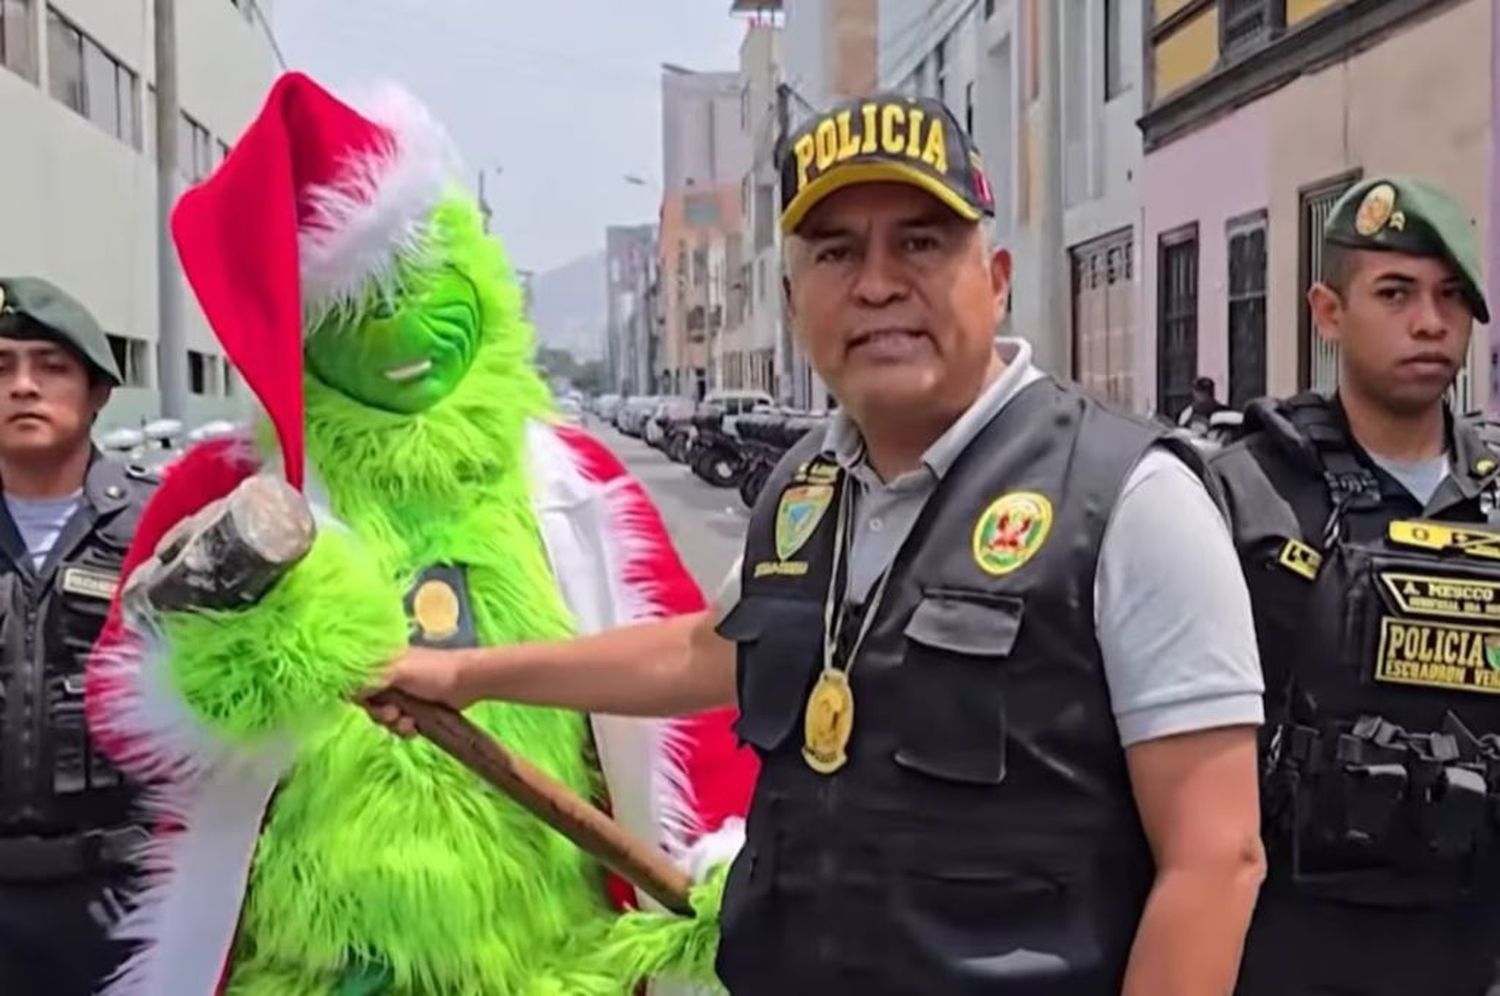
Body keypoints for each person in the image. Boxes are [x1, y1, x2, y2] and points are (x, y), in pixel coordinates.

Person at [369, 93, 1268, 995]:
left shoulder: (1128, 498)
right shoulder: (806, 485)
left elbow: (1215, 860)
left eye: (920, 242)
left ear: (996, 278)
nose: (876, 283)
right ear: (795, 299)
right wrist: (466, 675)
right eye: (837, 251)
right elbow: (704, 651)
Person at [84, 73, 752, 996]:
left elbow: (694, 682)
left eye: (415, 281)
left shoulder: (572, 484)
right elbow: (128, 707)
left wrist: (725, 849)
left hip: (545, 956)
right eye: (353, 310)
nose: (398, 331)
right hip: (310, 965)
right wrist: (247, 657)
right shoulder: (234, 490)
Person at [1210, 176, 1500, 995]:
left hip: (1467, 949)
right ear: (1328, 312)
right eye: (1395, 293)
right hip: (1289, 949)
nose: (1429, 322)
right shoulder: (1245, 492)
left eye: (1452, 297)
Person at [0, 277, 155, 995]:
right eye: (1, 368)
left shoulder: (159, 529)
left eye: (51, 366)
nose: (23, 386)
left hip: (119, 898)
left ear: (98, 393)